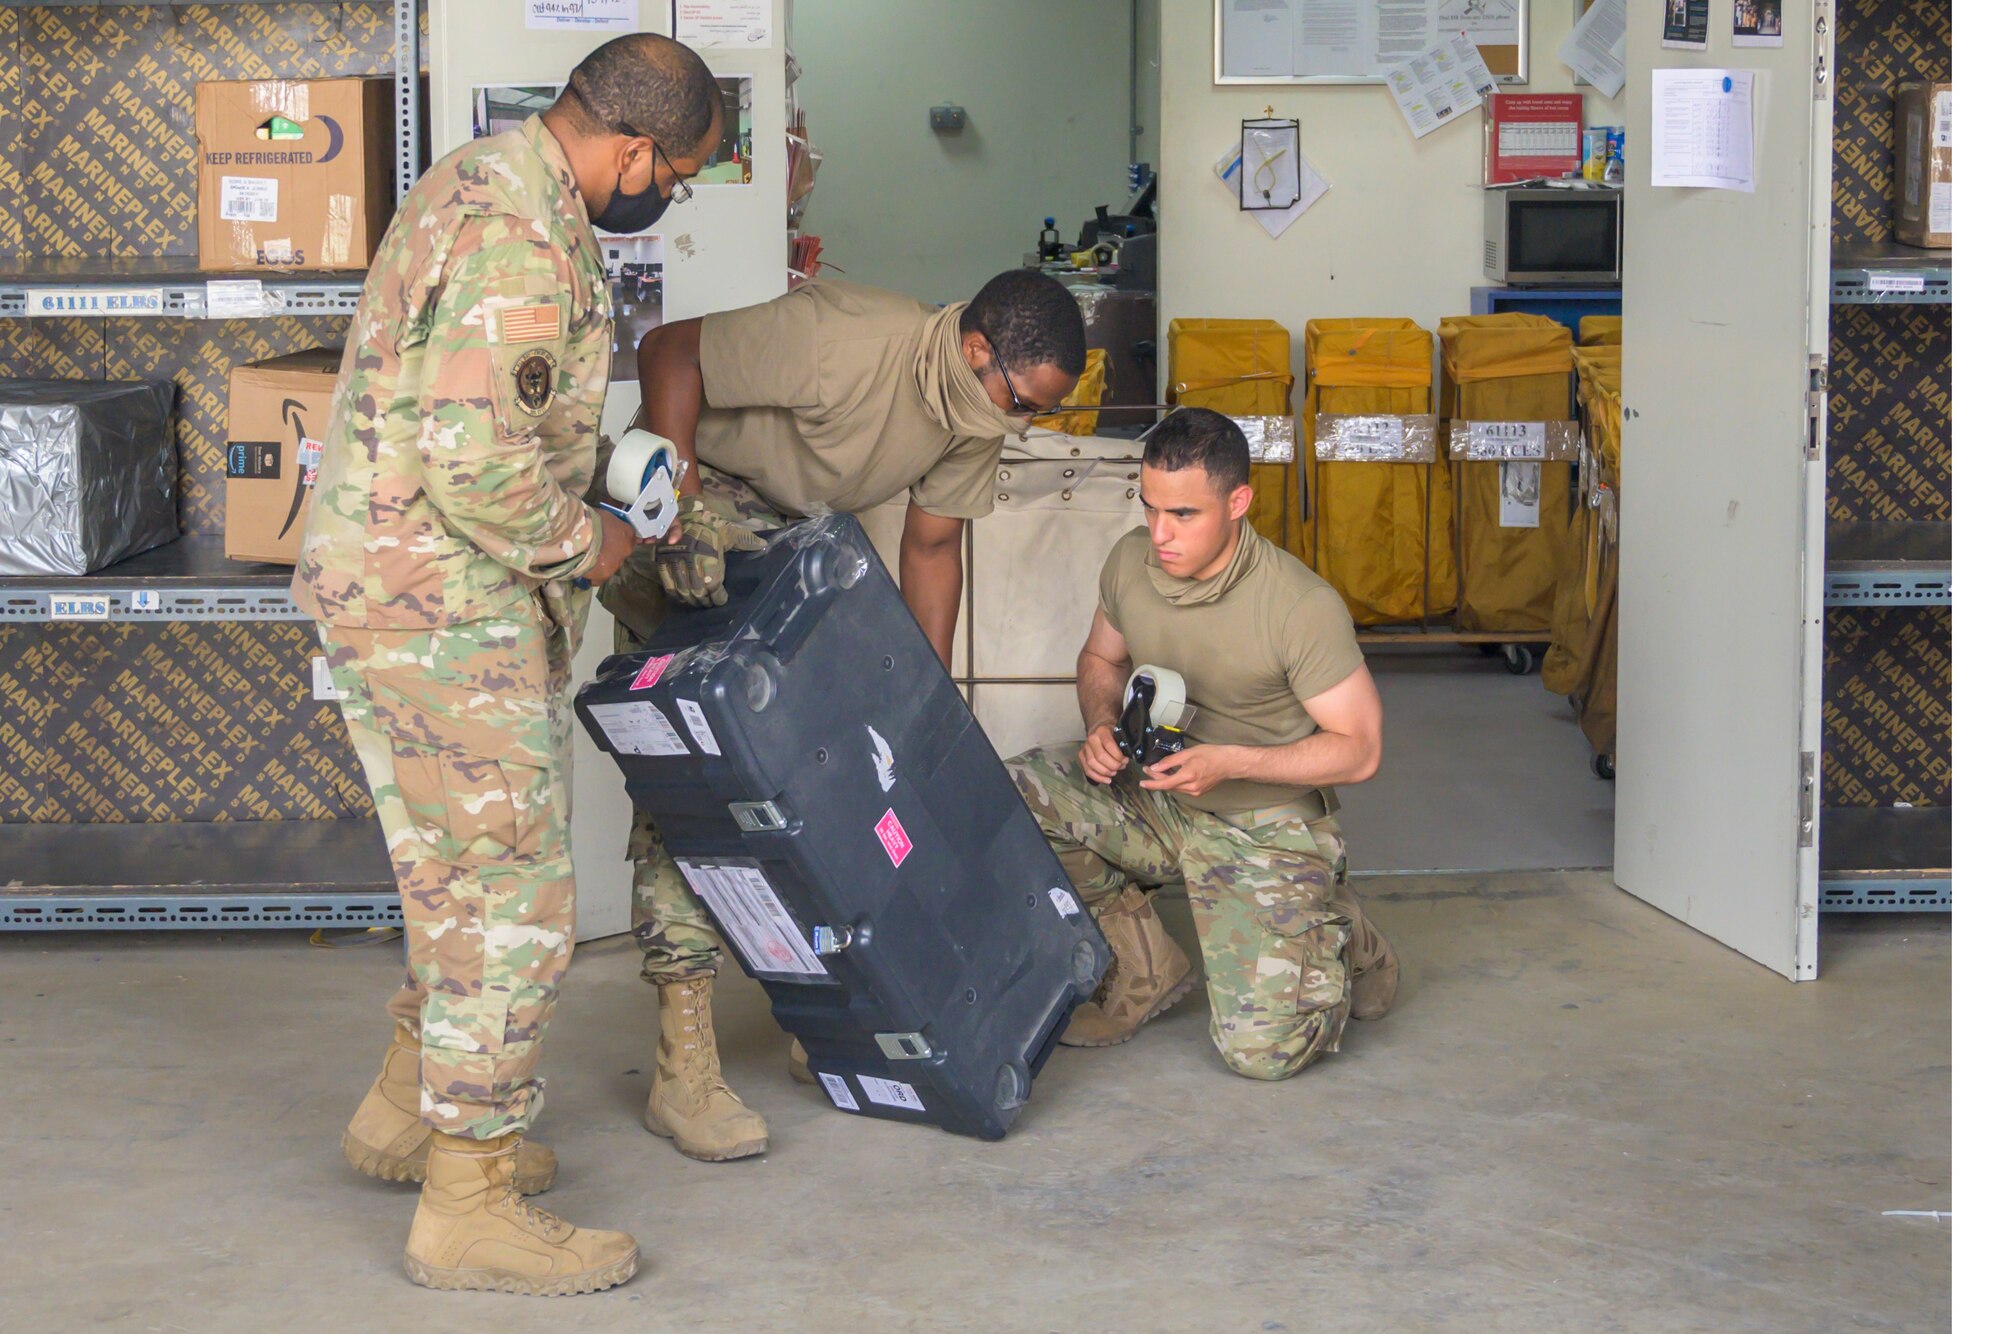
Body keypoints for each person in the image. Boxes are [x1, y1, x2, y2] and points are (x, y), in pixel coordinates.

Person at [293, 34, 721, 1297]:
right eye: (675, 176)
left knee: (452, 878)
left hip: (413, 593)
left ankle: (403, 1113)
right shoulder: (520, 237)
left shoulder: (486, 182)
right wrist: (589, 539)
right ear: (633, 148)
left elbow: (491, 418)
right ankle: (465, 1201)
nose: (666, 197)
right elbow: (476, 464)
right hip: (439, 609)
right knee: (512, 898)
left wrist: (599, 466)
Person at [596, 269, 1086, 1162]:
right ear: (978, 353)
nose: (1028, 426)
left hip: (797, 534)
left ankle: (835, 1021)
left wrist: (918, 704)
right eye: (1026, 404)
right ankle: (684, 1067)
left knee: (841, 783)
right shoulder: (847, 342)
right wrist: (682, 514)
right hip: (690, 507)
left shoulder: (973, 413)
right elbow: (670, 351)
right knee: (704, 784)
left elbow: (933, 547)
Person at [1005, 407, 1400, 1078]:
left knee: (1262, 1056)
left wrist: (1231, 763)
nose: (1159, 533)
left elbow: (1360, 748)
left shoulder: (1298, 607)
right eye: (1149, 506)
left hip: (1262, 822)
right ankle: (1143, 966)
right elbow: (1100, 661)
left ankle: (1335, 928)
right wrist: (1101, 725)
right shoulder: (1131, 561)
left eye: (1183, 514)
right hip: (1163, 797)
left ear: (1238, 502)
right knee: (1014, 794)